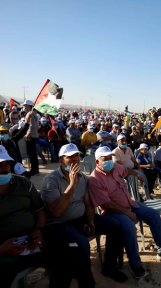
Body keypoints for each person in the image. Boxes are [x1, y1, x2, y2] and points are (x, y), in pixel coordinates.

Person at [87, 146, 161, 278]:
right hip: (114, 212)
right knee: (130, 227)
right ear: (97, 162)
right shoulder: (94, 179)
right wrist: (127, 213)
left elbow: (126, 170)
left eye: (110, 158)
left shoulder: (115, 167)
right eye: (105, 159)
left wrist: (137, 174)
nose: (109, 161)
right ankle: (135, 265)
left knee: (153, 214)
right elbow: (106, 204)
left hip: (130, 204)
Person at [40, 144, 128, 287]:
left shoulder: (82, 177)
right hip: (60, 224)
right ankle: (87, 283)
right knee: (81, 243)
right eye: (70, 157)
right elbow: (55, 211)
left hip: (80, 219)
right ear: (62, 161)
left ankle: (109, 267)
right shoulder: (51, 180)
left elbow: (88, 203)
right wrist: (72, 184)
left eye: (77, 156)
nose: (75, 159)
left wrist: (91, 221)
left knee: (114, 225)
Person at [0, 147, 72, 288]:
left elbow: (39, 210)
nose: (5, 169)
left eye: (7, 164)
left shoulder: (23, 183)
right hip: (4, 254)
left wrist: (39, 230)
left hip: (31, 244)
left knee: (65, 260)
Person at [22, 100, 40, 176]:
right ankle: (34, 170)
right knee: (32, 154)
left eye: (25, 106)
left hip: (31, 137)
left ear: (28, 106)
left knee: (32, 155)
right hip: (33, 136)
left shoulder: (30, 114)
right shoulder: (33, 113)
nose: (23, 107)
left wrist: (27, 135)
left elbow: (32, 126)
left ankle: (34, 171)